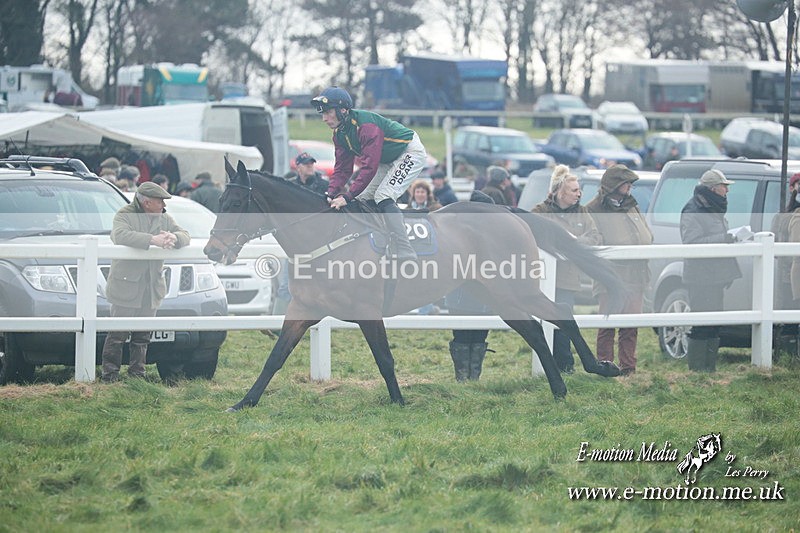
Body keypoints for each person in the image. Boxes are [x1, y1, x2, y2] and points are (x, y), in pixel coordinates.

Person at [311, 86, 427, 261]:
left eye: (328, 112)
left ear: (343, 110)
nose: (324, 118)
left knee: (383, 195)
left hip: (409, 152)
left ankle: (405, 248)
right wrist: (331, 192)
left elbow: (369, 167)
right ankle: (381, 240)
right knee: (363, 199)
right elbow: (342, 169)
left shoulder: (366, 126)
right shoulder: (339, 134)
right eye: (322, 114)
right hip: (387, 159)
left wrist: (346, 197)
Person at [100, 182, 190, 382]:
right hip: (126, 286)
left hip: (151, 287)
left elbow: (185, 234)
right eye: (160, 201)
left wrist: (173, 238)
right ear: (147, 202)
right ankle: (109, 376)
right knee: (117, 335)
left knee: (143, 336)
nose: (163, 206)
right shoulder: (124, 215)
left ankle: (137, 376)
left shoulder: (164, 218)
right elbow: (120, 235)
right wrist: (153, 240)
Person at [532, 165, 601, 373]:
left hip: (567, 280)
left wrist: (576, 242)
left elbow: (595, 237)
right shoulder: (539, 212)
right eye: (574, 190)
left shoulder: (582, 213)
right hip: (542, 281)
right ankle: (547, 366)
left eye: (579, 190)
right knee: (543, 324)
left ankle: (565, 366)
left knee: (564, 326)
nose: (579, 193)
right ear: (560, 192)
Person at [586, 164, 653, 376]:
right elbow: (594, 241)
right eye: (626, 183)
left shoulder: (632, 205)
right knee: (608, 324)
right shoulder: (593, 209)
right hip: (611, 277)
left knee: (631, 325)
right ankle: (605, 367)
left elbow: (645, 234)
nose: (630, 187)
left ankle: (628, 369)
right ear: (615, 185)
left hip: (637, 274)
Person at [680, 169, 742, 372]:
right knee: (701, 324)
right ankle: (698, 370)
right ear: (713, 188)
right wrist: (723, 239)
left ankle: (709, 370)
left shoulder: (711, 207)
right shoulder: (692, 209)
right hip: (700, 277)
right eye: (725, 186)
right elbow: (691, 242)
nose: (727, 191)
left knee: (714, 322)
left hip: (714, 276)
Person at [773, 172, 800, 357]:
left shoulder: (782, 216)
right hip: (789, 274)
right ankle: (788, 357)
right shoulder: (784, 217)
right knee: (789, 318)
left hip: (788, 273)